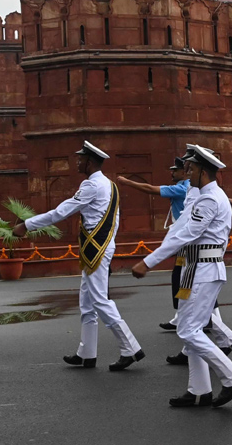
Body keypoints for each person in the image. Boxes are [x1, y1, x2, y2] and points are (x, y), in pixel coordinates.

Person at [132, 145, 232, 406]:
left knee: (188, 330)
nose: (187, 172)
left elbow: (187, 234)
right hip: (195, 268)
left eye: (191, 168)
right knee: (192, 330)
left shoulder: (210, 199)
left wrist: (148, 262)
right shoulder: (200, 195)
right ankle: (199, 390)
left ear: (203, 172)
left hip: (204, 269)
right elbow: (179, 228)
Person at [16, 141, 144, 371]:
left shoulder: (91, 186)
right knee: (87, 302)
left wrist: (27, 225)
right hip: (98, 248)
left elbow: (62, 212)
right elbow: (113, 220)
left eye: (80, 159)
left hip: (96, 249)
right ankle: (87, 353)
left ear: (90, 162)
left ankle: (130, 348)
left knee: (99, 301)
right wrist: (108, 246)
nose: (77, 162)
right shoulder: (110, 185)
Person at [118, 156, 190, 330]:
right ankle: (182, 316)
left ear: (184, 172)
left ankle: (203, 319)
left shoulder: (182, 188)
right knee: (183, 277)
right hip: (185, 238)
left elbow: (150, 189)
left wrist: (127, 182)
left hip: (185, 239)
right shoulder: (193, 188)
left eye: (175, 170)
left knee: (184, 278)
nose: (172, 172)